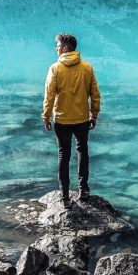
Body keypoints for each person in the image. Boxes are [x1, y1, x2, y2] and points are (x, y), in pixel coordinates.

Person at [42, 32, 101, 207]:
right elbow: (95, 94)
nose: (56, 49)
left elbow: (49, 95)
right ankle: (84, 190)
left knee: (64, 155)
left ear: (65, 48)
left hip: (62, 120)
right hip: (82, 119)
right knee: (82, 151)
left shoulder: (55, 68)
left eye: (58, 46)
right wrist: (94, 113)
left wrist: (46, 116)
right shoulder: (87, 67)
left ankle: (65, 195)